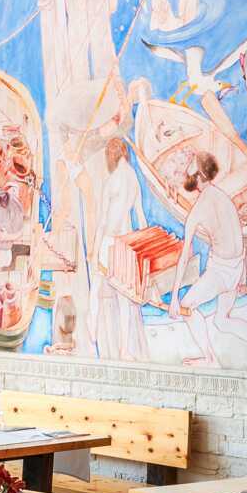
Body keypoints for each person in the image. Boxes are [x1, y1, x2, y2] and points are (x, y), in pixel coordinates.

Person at [159, 153, 247, 370]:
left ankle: (210, 359)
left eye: (190, 170)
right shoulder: (222, 197)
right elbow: (236, 237)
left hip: (221, 270)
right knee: (222, 320)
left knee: (186, 307)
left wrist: (174, 297)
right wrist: (241, 275)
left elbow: (184, 256)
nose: (186, 172)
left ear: (200, 176)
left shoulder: (199, 209)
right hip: (236, 265)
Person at [92, 137, 150, 360]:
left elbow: (102, 222)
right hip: (127, 242)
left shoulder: (111, 181)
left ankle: (92, 331)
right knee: (124, 297)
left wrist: (95, 250)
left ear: (111, 156)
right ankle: (124, 349)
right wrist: (143, 246)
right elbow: (141, 217)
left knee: (97, 286)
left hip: (109, 240)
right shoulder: (133, 178)